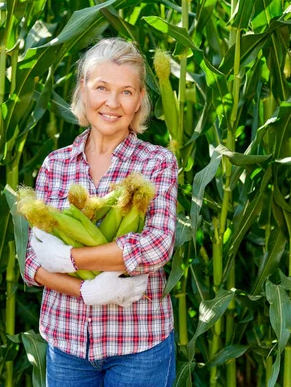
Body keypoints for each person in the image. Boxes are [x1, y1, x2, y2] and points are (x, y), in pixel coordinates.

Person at [23, 37, 178, 387]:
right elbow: (32, 263)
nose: (112, 103)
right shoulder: (55, 165)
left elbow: (156, 247)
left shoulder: (156, 163)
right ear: (83, 89)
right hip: (66, 344)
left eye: (126, 92)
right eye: (101, 87)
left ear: (140, 99)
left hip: (139, 345)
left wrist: (69, 259)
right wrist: (85, 292)